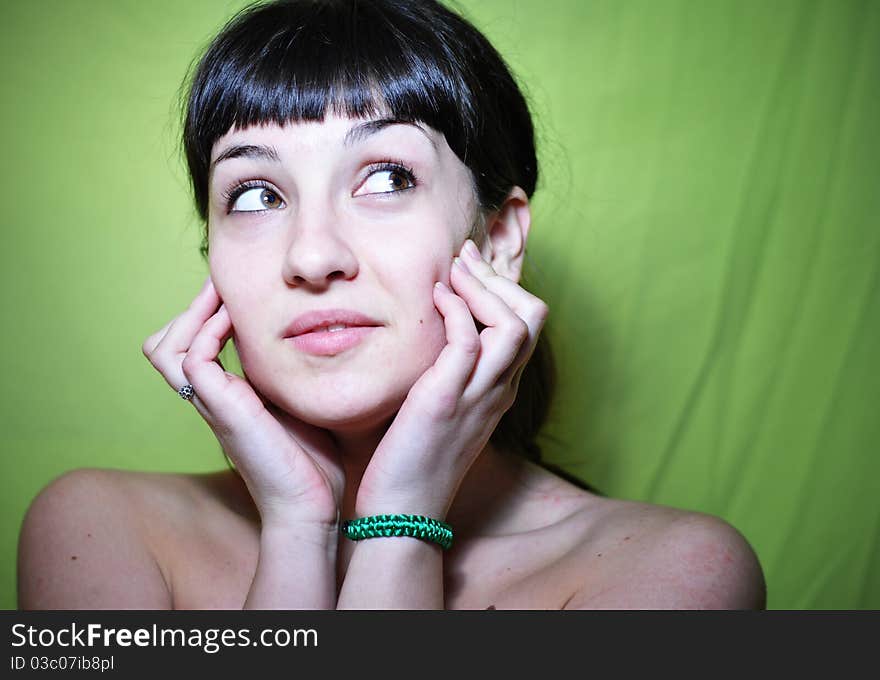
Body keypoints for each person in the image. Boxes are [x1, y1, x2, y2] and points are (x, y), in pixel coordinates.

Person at [17, 0, 765, 610]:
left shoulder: (675, 575)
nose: (312, 256)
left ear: (498, 238)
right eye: (255, 194)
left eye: (386, 179)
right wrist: (297, 528)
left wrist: (399, 523)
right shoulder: (102, 531)